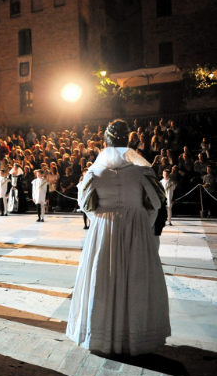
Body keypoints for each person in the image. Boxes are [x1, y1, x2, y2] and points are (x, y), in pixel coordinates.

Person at [67, 119, 170, 355]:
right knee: (135, 278)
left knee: (102, 277)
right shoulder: (143, 170)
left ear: (106, 142)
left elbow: (85, 205)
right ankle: (134, 337)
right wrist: (141, 222)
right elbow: (155, 203)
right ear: (128, 143)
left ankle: (102, 334)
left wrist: (101, 218)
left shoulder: (95, 171)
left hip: (104, 228)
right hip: (135, 228)